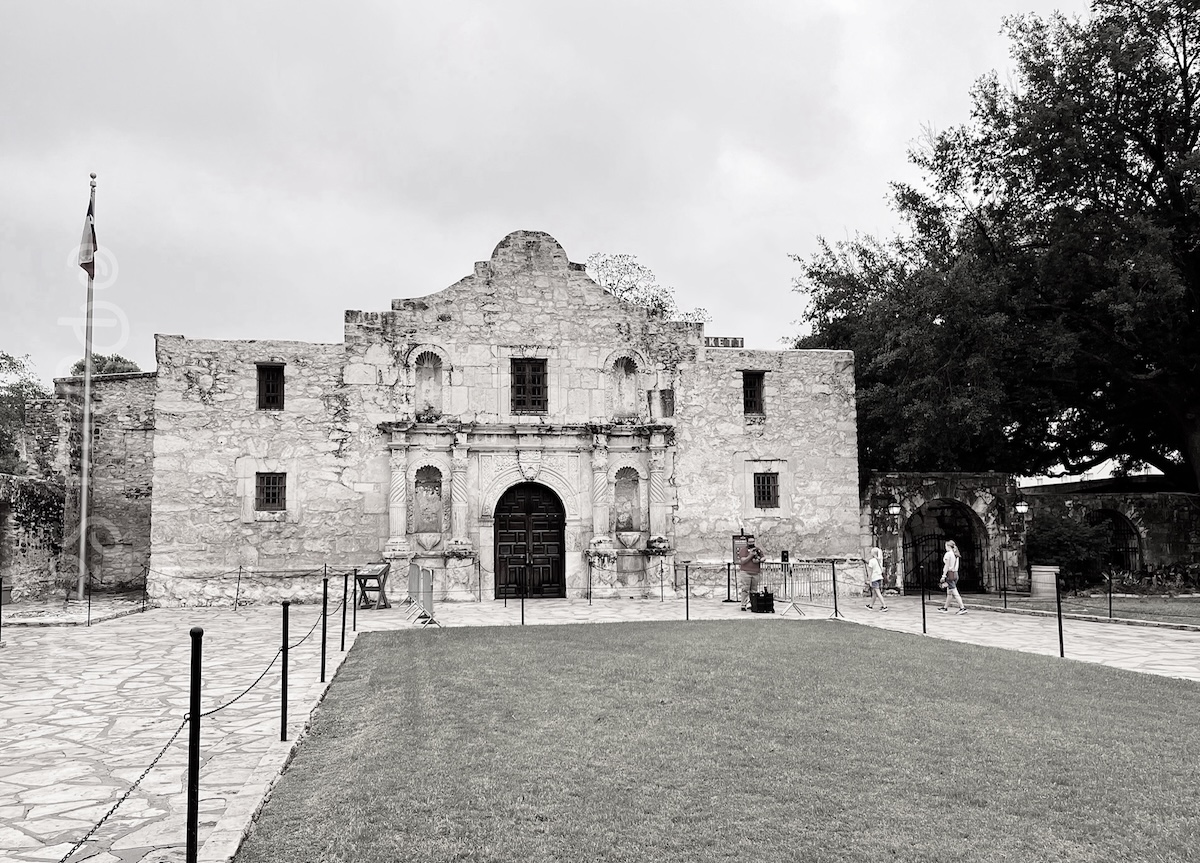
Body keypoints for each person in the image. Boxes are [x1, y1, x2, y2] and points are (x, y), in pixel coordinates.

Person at [939, 540, 967, 614]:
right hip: (955, 573)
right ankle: (945, 608)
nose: (945, 548)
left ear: (948, 546)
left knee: (954, 591)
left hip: (950, 574)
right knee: (949, 592)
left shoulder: (948, 554)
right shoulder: (956, 554)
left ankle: (962, 607)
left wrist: (943, 575)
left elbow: (947, 565)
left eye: (945, 546)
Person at [737, 539, 764, 610]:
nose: (751, 543)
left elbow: (762, 556)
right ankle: (743, 605)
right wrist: (750, 555)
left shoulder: (757, 550)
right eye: (750, 542)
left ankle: (753, 604)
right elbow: (743, 561)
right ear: (747, 542)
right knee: (745, 589)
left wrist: (761, 559)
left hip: (755, 573)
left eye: (753, 542)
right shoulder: (743, 550)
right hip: (746, 572)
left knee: (754, 590)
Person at [865, 547, 888, 611]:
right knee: (874, 592)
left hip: (874, 578)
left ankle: (884, 606)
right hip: (879, 577)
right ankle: (870, 606)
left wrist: (869, 580)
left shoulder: (871, 561)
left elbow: (870, 572)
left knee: (877, 592)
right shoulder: (880, 560)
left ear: (873, 553)